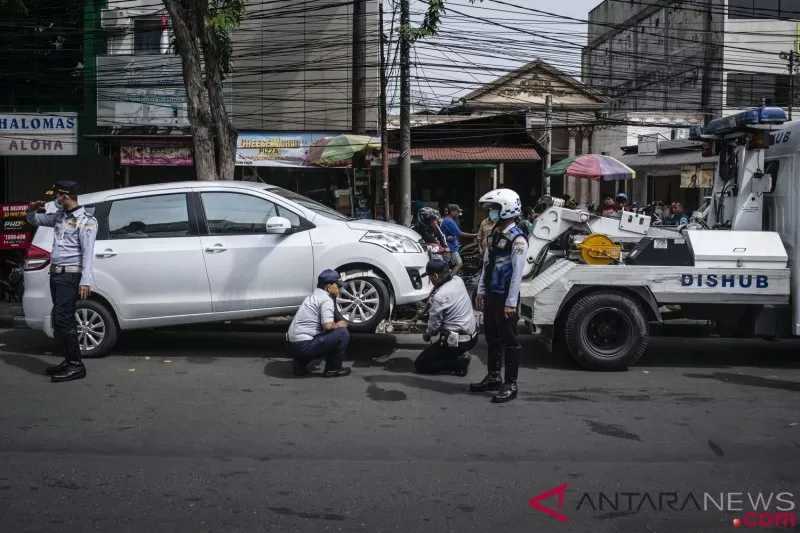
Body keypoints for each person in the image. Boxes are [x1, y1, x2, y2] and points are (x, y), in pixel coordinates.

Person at [26, 180, 97, 383]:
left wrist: (86, 280)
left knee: (64, 318)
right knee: (60, 319)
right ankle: (68, 361)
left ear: (66, 196)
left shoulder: (87, 220)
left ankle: (76, 365)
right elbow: (34, 220)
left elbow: (88, 253)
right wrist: (31, 210)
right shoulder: (59, 217)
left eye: (57, 195)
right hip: (56, 274)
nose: (55, 199)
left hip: (70, 275)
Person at [470, 188, 529, 403]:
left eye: (495, 208)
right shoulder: (495, 233)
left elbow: (516, 275)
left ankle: (510, 383)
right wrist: (481, 290)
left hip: (506, 298)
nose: (491, 213)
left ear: (507, 209)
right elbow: (487, 263)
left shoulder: (518, 239)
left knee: (510, 341)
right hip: (492, 295)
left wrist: (511, 304)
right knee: (492, 338)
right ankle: (494, 376)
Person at [414, 259, 478, 375]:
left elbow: (434, 328)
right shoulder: (458, 280)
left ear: (436, 275)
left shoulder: (440, 297)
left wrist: (427, 335)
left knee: (421, 364)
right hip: (472, 336)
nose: (430, 281)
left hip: (458, 341)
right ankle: (458, 354)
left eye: (430, 277)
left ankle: (459, 363)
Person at [286, 269, 352, 377]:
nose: (340, 288)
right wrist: (339, 325)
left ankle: (300, 365)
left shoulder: (312, 297)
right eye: (338, 285)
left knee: (319, 336)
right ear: (328, 287)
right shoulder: (326, 300)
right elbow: (327, 326)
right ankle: (333, 369)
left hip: (291, 345)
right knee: (342, 333)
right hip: (303, 347)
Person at [440, 204, 476, 275]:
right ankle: (449, 278)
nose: (458, 213)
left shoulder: (450, 220)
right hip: (450, 247)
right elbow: (460, 233)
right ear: (452, 211)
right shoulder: (449, 221)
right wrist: (475, 235)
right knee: (459, 263)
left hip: (451, 246)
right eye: (457, 211)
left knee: (449, 265)